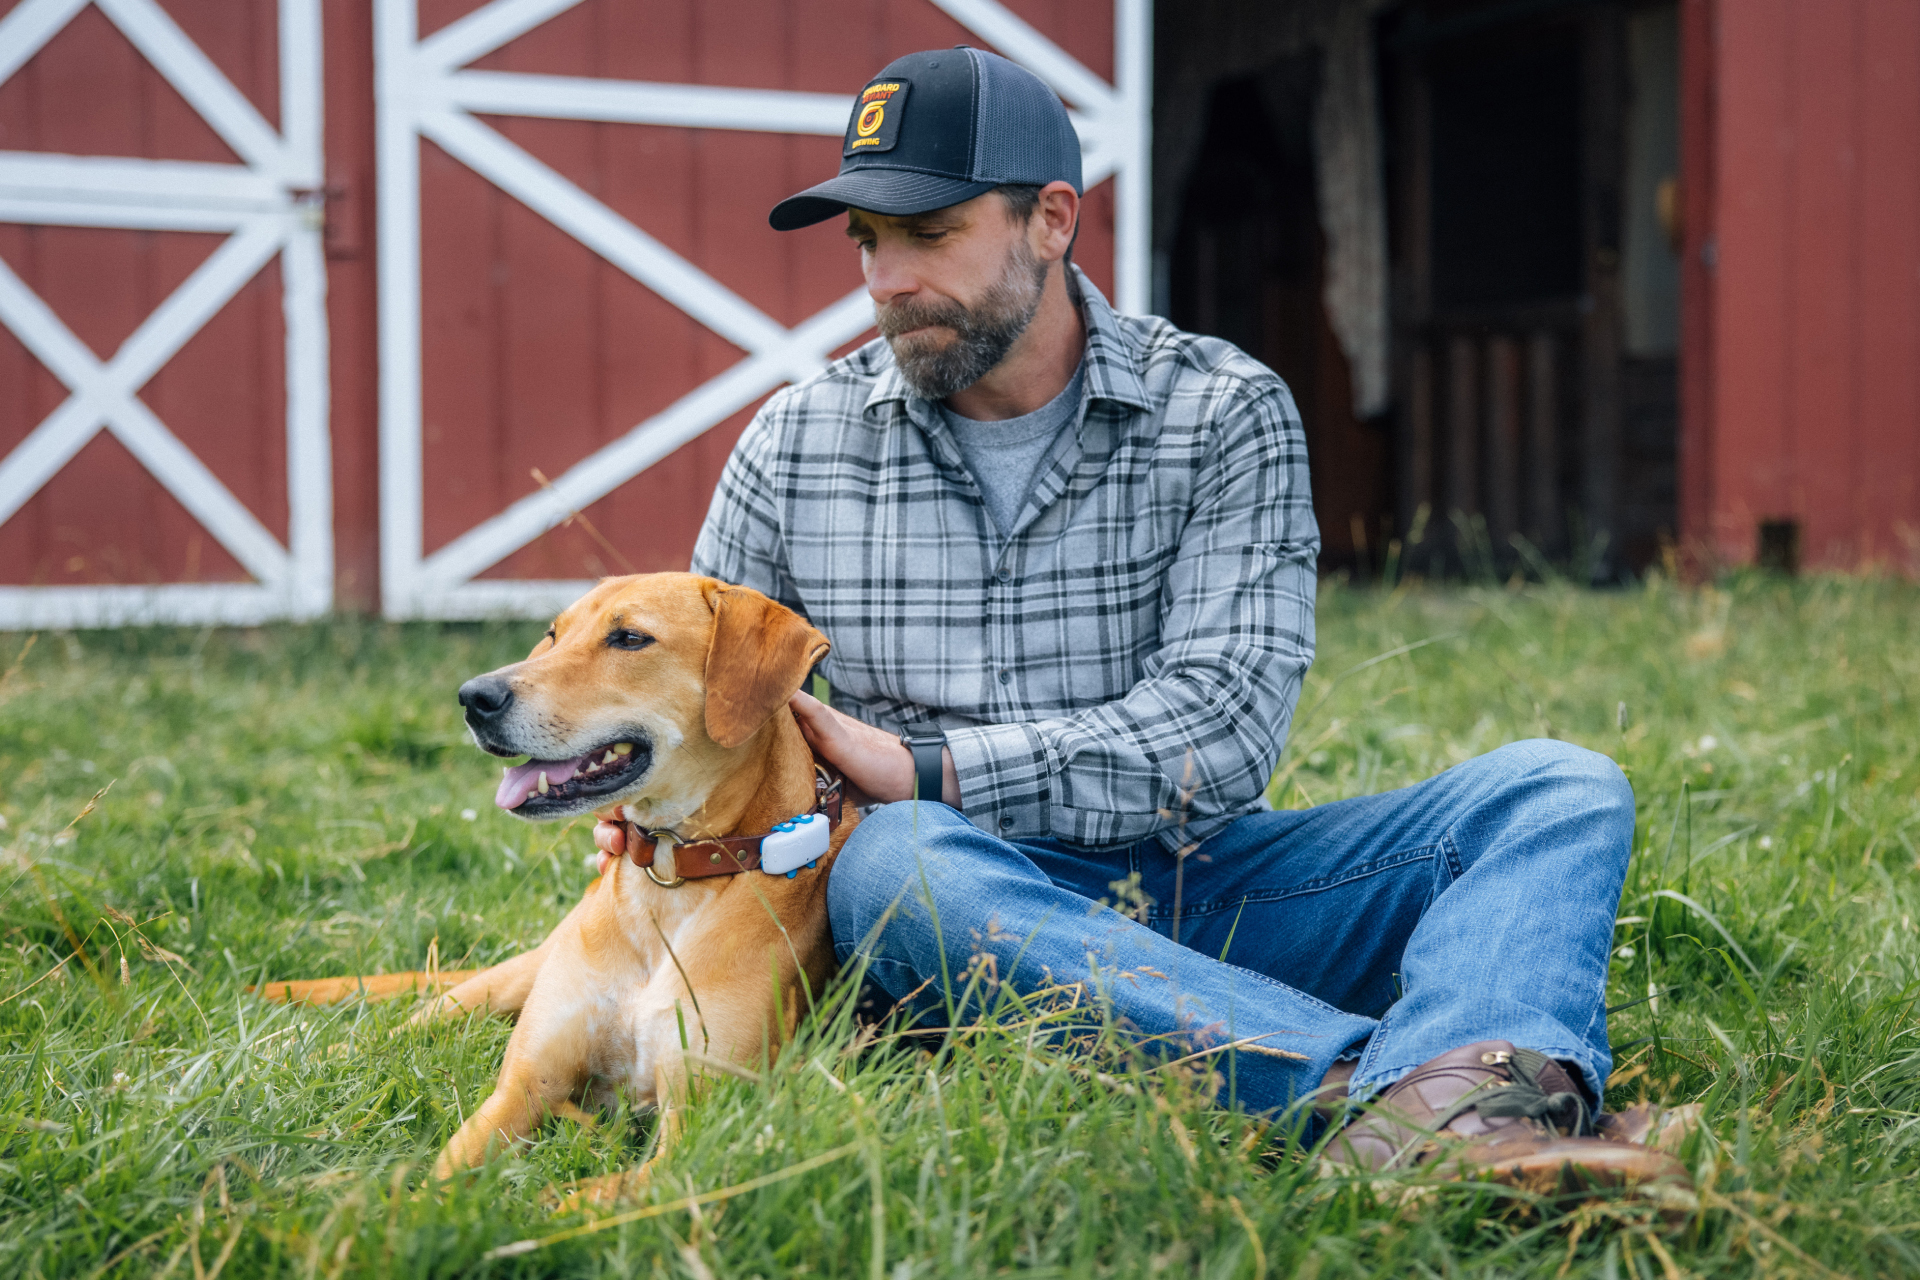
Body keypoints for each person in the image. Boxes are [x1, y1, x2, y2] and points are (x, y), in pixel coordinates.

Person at [594, 47, 1684, 1187]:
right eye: (867, 238)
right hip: (937, 924)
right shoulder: (794, 441)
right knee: (905, 860)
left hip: (1203, 882)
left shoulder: (1223, 411)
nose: (884, 277)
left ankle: (1420, 1109)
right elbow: (704, 706)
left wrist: (925, 762)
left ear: (1052, 219)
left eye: (928, 233)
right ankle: (1429, 1102)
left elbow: (1221, 734)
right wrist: (654, 798)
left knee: (1555, 787)